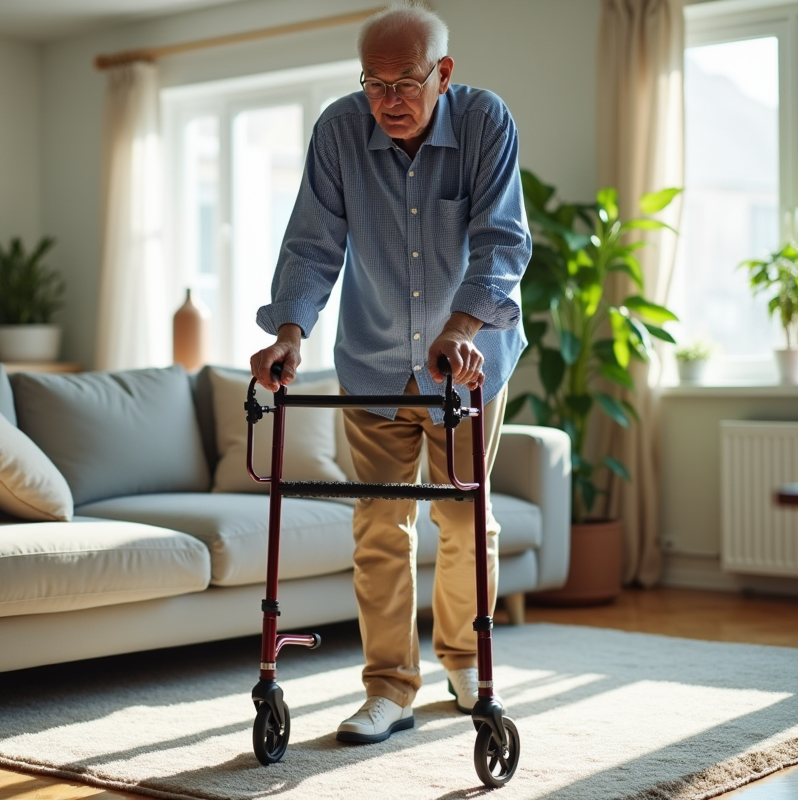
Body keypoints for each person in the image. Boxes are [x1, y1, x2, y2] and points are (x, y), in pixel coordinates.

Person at [250, 0, 531, 744]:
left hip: (466, 365)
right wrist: (289, 332)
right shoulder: (340, 131)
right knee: (380, 524)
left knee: (466, 518)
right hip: (373, 358)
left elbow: (501, 240)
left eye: (405, 83)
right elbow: (312, 244)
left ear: (443, 72)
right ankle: (389, 688)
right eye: (373, 84)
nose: (389, 102)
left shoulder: (483, 123)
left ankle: (466, 662)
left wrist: (462, 328)